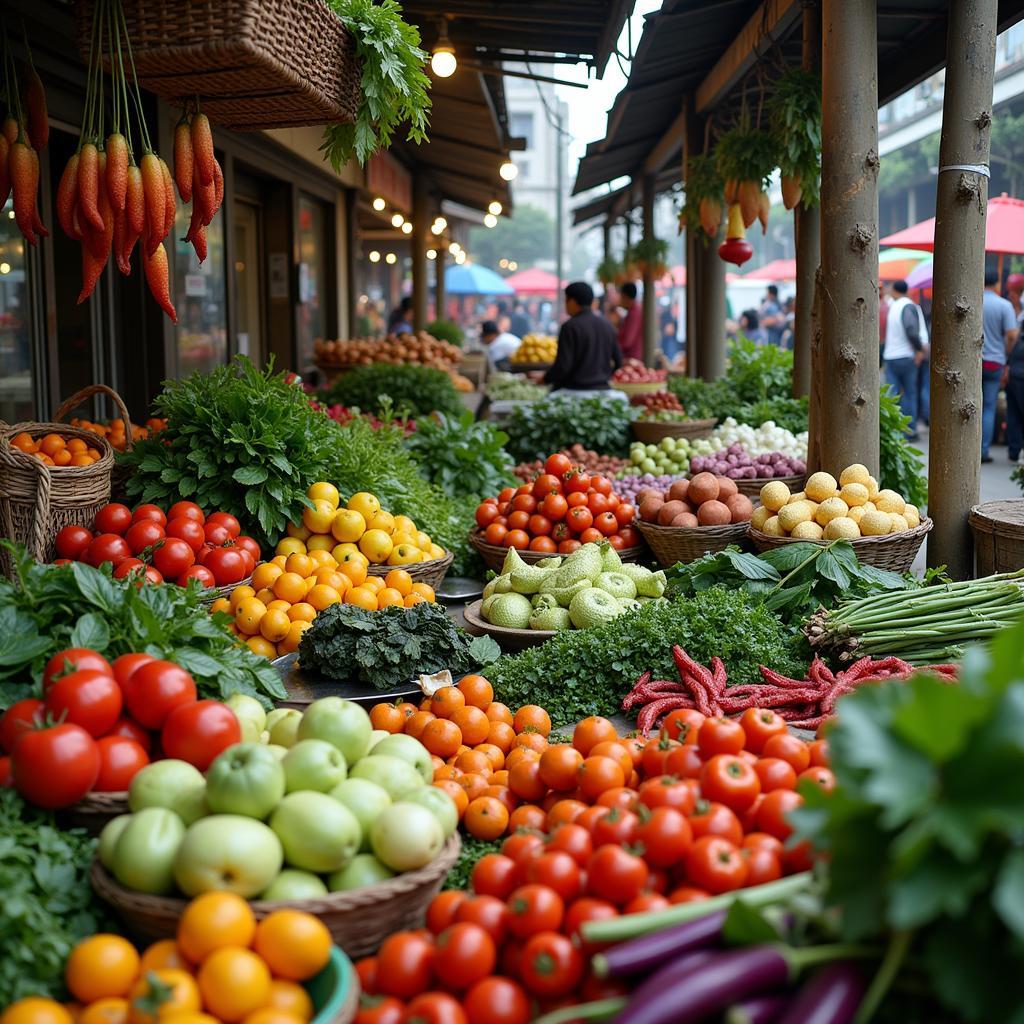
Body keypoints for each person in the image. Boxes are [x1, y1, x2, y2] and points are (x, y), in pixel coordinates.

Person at [544, 281, 623, 394]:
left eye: (566, 300)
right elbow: (618, 361)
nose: (565, 305)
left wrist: (545, 379)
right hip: (604, 390)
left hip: (573, 391)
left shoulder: (569, 327)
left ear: (572, 301)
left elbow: (563, 366)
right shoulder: (607, 325)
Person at [882, 279, 928, 441]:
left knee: (892, 395)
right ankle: (909, 430)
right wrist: (919, 349)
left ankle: (892, 430)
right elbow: (912, 330)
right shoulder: (907, 306)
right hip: (906, 357)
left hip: (892, 356)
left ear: (895, 290)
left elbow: (909, 330)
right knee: (909, 394)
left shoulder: (895, 306)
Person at [981, 268, 1019, 463]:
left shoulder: (975, 302)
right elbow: (1012, 335)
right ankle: (983, 451)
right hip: (995, 362)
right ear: (997, 284)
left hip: (974, 362)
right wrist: (1007, 356)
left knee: (971, 406)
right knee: (988, 406)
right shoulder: (1004, 306)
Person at [1006, 273, 1024, 463]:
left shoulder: (1019, 339)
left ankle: (1014, 450)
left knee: (1014, 413)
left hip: (1013, 374)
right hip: (1016, 375)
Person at [617, 282, 643, 362]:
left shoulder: (634, 313)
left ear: (624, 296)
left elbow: (627, 341)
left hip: (632, 358)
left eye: (620, 296)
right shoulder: (635, 310)